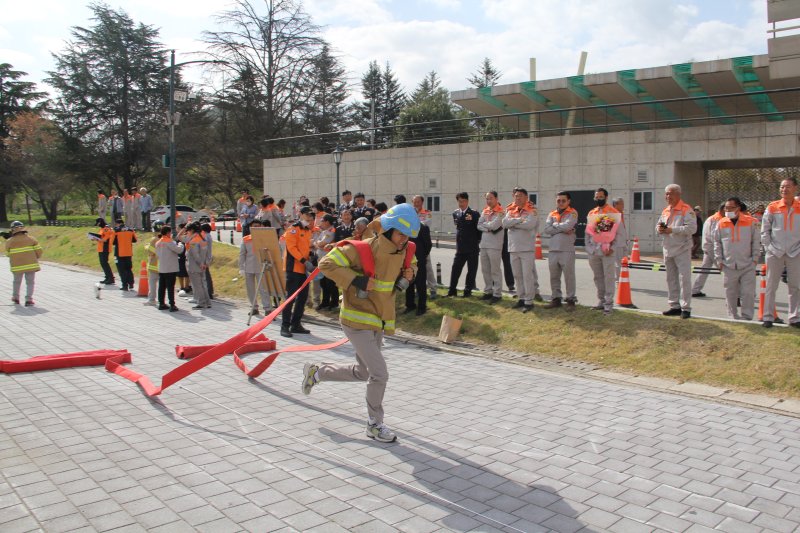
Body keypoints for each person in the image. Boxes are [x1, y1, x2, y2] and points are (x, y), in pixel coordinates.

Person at [308, 203, 420, 443]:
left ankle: (318, 373)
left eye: (407, 235)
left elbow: (413, 265)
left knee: (363, 372)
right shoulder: (361, 249)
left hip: (378, 320)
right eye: (400, 233)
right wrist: (357, 280)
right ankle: (374, 424)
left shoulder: (407, 250)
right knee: (379, 373)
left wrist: (410, 273)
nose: (404, 239)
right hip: (355, 319)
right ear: (389, 229)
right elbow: (326, 264)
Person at [761, 177, 800, 328]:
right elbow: (765, 230)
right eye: (782, 187)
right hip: (774, 252)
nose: (784, 189)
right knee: (771, 285)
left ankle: (795, 317)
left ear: (795, 188)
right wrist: (768, 248)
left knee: (795, 286)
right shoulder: (772, 207)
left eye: (788, 186)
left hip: (795, 252)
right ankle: (768, 317)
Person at [714, 197, 760, 321]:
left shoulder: (752, 222)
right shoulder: (721, 222)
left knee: (748, 293)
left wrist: (755, 259)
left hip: (747, 264)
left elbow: (756, 242)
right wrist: (719, 260)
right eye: (726, 208)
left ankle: (747, 317)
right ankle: (732, 316)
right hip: (728, 264)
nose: (727, 210)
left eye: (731, 208)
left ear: (738, 208)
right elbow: (717, 242)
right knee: (730, 293)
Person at [656, 184, 697, 319]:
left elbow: (692, 229)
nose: (668, 196)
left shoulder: (687, 210)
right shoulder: (665, 210)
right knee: (671, 278)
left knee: (684, 278)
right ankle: (674, 306)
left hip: (682, 249)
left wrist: (672, 230)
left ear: (679, 194)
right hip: (668, 248)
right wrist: (660, 229)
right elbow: (659, 224)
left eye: (671, 193)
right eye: (666, 194)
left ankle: (686, 308)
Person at [585, 188, 622, 314]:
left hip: (608, 252)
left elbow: (619, 234)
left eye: (601, 197)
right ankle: (601, 301)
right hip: (594, 252)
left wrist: (612, 248)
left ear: (606, 197)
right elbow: (588, 234)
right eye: (596, 197)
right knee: (598, 277)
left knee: (609, 278)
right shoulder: (592, 213)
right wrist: (590, 249)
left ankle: (608, 304)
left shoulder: (613, 212)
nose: (598, 199)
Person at [281, 206, 315, 337]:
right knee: (290, 298)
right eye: (307, 215)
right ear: (300, 214)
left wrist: (311, 256)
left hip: (303, 269)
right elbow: (292, 248)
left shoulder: (307, 230)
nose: (309, 218)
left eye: (311, 215)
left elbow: (304, 248)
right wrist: (304, 261)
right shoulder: (293, 229)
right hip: (293, 268)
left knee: (303, 297)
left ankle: (296, 324)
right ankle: (285, 326)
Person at [503, 187, 538, 312]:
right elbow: (505, 223)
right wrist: (518, 220)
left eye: (520, 196)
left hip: (526, 248)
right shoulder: (511, 209)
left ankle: (529, 301)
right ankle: (521, 298)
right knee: (517, 275)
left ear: (526, 197)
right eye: (516, 196)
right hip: (513, 247)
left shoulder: (532, 210)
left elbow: (530, 225)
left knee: (527, 275)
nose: (517, 198)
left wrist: (513, 224)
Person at [543, 191, 578, 311]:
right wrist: (561, 227)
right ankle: (556, 299)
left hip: (566, 249)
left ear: (568, 201)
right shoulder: (551, 214)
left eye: (563, 200)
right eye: (558, 200)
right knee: (554, 276)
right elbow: (547, 229)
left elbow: (568, 226)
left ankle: (570, 300)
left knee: (569, 276)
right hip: (553, 249)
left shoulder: (572, 213)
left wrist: (555, 226)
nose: (561, 203)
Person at [447, 192, 481, 298]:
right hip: (460, 248)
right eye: (459, 201)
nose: (461, 203)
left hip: (472, 248)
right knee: (455, 269)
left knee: (471, 271)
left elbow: (479, 231)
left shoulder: (474, 214)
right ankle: (452, 291)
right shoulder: (455, 213)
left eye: (463, 201)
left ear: (467, 201)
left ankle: (467, 292)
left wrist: (475, 242)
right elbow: (458, 228)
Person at [239, 219, 273, 316]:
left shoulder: (264, 239)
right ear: (250, 228)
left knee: (263, 289)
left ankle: (267, 308)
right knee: (250, 289)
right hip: (249, 267)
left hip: (261, 267)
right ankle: (254, 307)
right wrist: (241, 267)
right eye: (254, 227)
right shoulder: (246, 239)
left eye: (258, 226)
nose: (256, 228)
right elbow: (242, 254)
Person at [691, 203, 725, 298]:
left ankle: (695, 289)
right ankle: (734, 292)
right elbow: (715, 237)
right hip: (713, 248)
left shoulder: (711, 218)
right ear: (723, 210)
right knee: (725, 270)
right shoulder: (718, 219)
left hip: (708, 247)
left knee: (704, 270)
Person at [5, 221, 42, 306]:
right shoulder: (31, 239)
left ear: (12, 230)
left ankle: (15, 298)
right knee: (30, 282)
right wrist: (34, 258)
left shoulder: (9, 241)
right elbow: (39, 251)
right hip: (31, 265)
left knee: (16, 282)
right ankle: (28, 300)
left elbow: (8, 254)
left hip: (17, 266)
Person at [477, 190, 505, 303]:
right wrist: (488, 227)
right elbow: (478, 225)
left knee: (495, 270)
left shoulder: (502, 212)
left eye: (490, 198)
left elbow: (494, 226)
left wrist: (487, 226)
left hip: (495, 245)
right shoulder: (485, 210)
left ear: (496, 199)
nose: (488, 201)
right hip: (484, 244)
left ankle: (497, 294)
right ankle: (488, 291)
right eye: (487, 199)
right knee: (485, 270)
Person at [405, 212, 432, 315]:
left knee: (421, 284)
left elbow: (428, 245)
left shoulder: (423, 227)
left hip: (419, 260)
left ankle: (422, 307)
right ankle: (410, 305)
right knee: (409, 283)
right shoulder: (405, 227)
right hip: (408, 260)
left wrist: (422, 256)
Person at [412, 195, 437, 300]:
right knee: (415, 268)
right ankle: (419, 288)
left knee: (427, 267)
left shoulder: (427, 213)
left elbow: (426, 223)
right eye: (414, 202)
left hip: (423, 243)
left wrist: (415, 223)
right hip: (413, 242)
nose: (416, 204)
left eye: (418, 202)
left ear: (422, 202)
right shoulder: (410, 213)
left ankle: (433, 288)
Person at [155, 225, 183, 311]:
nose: (171, 234)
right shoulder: (169, 242)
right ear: (167, 233)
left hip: (162, 267)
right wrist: (181, 244)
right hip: (170, 268)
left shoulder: (158, 242)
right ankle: (172, 305)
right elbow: (179, 250)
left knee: (162, 286)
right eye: (170, 232)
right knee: (170, 287)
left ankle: (161, 303)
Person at [184, 222, 211, 310]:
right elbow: (207, 253)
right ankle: (207, 302)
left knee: (197, 285)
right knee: (203, 284)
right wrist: (205, 263)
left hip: (195, 265)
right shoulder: (203, 239)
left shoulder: (193, 241)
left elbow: (195, 255)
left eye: (187, 231)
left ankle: (201, 303)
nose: (187, 233)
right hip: (203, 264)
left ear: (191, 230)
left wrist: (200, 264)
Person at [314, 214, 338, 310]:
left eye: (322, 221)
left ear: (327, 222)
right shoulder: (324, 231)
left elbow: (321, 243)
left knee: (330, 282)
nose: (321, 223)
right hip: (321, 260)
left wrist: (317, 244)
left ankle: (334, 303)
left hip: (328, 260)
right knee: (323, 282)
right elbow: (316, 242)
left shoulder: (331, 231)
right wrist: (317, 244)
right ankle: (325, 302)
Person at [112, 218, 137, 291]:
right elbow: (135, 240)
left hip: (119, 253)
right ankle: (131, 284)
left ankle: (124, 285)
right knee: (129, 269)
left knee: (122, 270)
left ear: (117, 224)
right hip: (128, 253)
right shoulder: (130, 230)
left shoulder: (116, 231)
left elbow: (112, 242)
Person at [611, 197, 628, 283]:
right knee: (618, 263)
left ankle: (623, 278)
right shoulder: (613, 215)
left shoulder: (621, 214)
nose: (623, 205)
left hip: (623, 242)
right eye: (621, 203)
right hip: (617, 243)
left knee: (624, 262)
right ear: (616, 205)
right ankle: (618, 280)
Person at [94, 217, 116, 285]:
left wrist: (96, 238)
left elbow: (105, 239)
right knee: (102, 263)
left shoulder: (107, 229)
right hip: (101, 248)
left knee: (105, 263)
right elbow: (100, 238)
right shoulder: (102, 229)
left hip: (105, 248)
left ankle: (111, 278)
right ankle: (107, 277)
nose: (97, 225)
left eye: (97, 224)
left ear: (100, 223)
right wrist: (95, 238)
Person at [143, 229, 160, 305]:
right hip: (164, 266)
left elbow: (151, 251)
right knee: (162, 284)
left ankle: (152, 299)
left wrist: (146, 246)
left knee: (152, 283)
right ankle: (161, 300)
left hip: (154, 265)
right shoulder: (166, 238)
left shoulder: (154, 239)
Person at [201, 222, 215, 299]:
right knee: (206, 274)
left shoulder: (206, 236)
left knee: (206, 275)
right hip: (207, 257)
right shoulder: (208, 236)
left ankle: (209, 292)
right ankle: (209, 291)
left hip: (205, 258)